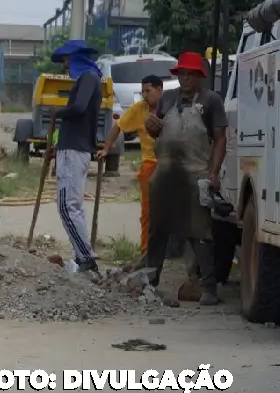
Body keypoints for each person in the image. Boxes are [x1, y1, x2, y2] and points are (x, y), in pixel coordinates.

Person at [142, 52, 228, 305]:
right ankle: (151, 281)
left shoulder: (211, 101)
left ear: (200, 76)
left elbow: (220, 138)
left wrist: (214, 172)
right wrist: (152, 127)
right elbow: (158, 132)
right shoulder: (168, 98)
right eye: (182, 73)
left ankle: (209, 288)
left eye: (191, 74)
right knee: (157, 228)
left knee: (199, 232)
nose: (186, 78)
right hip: (166, 170)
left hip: (195, 171)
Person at [48, 40, 103, 274]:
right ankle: (83, 257)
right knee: (72, 206)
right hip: (70, 147)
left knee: (67, 205)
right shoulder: (86, 79)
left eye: (67, 60)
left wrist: (57, 112)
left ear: (77, 58)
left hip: (74, 150)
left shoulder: (89, 77)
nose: (65, 66)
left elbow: (79, 109)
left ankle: (86, 258)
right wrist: (57, 144)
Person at [97, 75, 164, 255]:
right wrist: (107, 148)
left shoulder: (171, 107)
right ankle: (146, 250)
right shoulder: (139, 109)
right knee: (148, 211)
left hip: (171, 164)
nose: (144, 95)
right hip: (150, 164)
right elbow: (118, 126)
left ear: (159, 90)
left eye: (148, 91)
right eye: (143, 91)